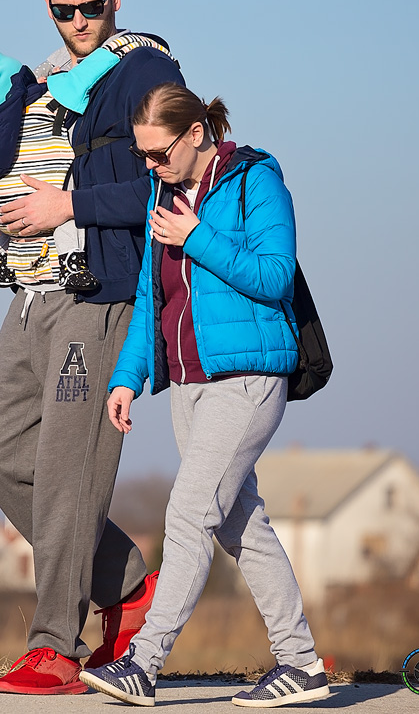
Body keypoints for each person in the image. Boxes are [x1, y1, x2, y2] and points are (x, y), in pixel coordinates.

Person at [0, 0, 185, 695]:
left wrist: (67, 204)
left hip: (97, 299)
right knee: (0, 456)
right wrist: (1, 202)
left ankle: (55, 647)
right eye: (66, 11)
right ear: (48, 4)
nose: (80, 21)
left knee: (68, 474)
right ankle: (127, 584)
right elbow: (41, 168)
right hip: (30, 293)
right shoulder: (56, 76)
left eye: (94, 6)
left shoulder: (146, 71)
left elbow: (168, 186)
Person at [79, 83, 330, 708]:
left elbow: (274, 275)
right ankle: (301, 663)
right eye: (143, 157)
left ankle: (144, 661)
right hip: (189, 387)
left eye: (157, 154)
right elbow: (149, 298)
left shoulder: (256, 180)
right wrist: (126, 378)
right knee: (240, 525)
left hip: (248, 381)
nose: (150, 167)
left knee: (189, 515)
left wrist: (196, 237)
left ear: (195, 134)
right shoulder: (165, 197)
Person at [0, 49, 98, 292]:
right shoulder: (49, 100)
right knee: (66, 213)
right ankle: (72, 264)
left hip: (2, 211)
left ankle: (3, 262)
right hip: (46, 199)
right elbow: (81, 81)